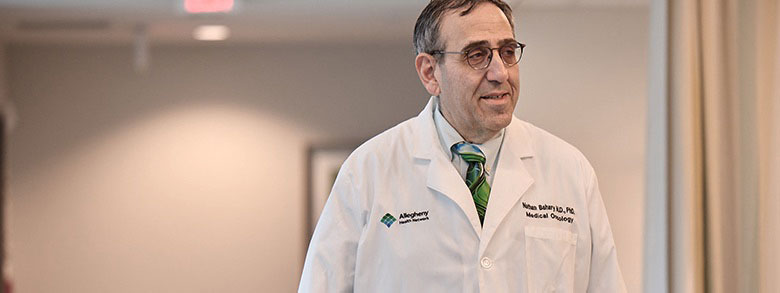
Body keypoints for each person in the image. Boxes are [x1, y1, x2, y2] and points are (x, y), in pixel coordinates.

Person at [299, 0, 627, 291]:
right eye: (477, 55)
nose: (500, 72)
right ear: (430, 73)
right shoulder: (367, 172)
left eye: (508, 52)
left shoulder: (570, 170)